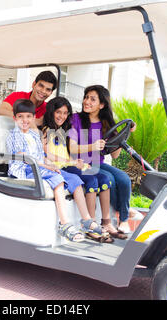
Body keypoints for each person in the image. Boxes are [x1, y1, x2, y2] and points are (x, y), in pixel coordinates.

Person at [6, 99, 106, 243]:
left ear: (34, 118)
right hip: (25, 169)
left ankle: (86, 220)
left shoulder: (35, 135)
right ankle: (64, 224)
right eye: (20, 117)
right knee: (58, 181)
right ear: (15, 118)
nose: (25, 120)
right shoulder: (15, 135)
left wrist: (52, 165)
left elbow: (42, 156)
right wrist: (48, 166)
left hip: (39, 166)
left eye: (28, 117)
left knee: (76, 181)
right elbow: (26, 158)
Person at [68, 85, 143, 236]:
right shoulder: (76, 119)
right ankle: (116, 216)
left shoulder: (106, 123)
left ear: (102, 105)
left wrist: (124, 135)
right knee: (109, 179)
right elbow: (72, 149)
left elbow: (114, 155)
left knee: (124, 178)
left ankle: (123, 220)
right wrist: (93, 146)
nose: (86, 101)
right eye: (86, 97)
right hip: (82, 162)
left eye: (92, 99)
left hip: (98, 162)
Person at [41, 96, 115, 242]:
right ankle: (89, 224)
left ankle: (102, 221)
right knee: (92, 180)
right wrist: (72, 162)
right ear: (51, 112)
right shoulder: (46, 130)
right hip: (61, 168)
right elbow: (49, 154)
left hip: (69, 164)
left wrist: (77, 162)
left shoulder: (61, 131)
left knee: (104, 179)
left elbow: (65, 152)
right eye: (58, 112)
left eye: (65, 113)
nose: (62, 116)